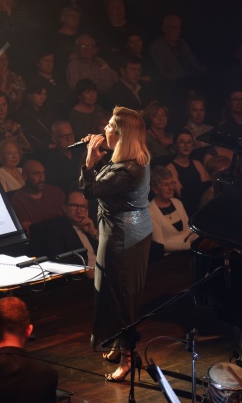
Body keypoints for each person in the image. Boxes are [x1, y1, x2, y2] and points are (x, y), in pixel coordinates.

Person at [79, 106, 152, 381]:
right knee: (113, 289)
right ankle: (117, 344)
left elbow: (91, 190)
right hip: (132, 231)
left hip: (123, 236)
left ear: (121, 135)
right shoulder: (135, 159)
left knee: (121, 295)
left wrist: (88, 161)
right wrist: (98, 159)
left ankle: (129, 358)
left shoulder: (127, 171)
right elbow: (106, 182)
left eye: (110, 126)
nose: (104, 129)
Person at [30, 190, 98, 275]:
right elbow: (57, 261)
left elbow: (110, 253)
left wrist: (93, 232)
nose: (78, 211)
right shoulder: (55, 227)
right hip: (84, 276)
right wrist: (84, 272)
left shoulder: (91, 224)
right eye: (74, 205)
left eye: (83, 206)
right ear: (64, 207)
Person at [148, 166, 197, 256]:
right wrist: (187, 246)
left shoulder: (177, 203)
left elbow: (189, 231)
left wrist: (197, 240)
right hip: (170, 258)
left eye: (172, 183)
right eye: (166, 185)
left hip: (188, 252)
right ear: (155, 189)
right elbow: (160, 244)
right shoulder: (150, 212)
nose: (171, 188)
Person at [9, 159, 65, 234]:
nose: (41, 178)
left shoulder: (55, 191)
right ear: (24, 177)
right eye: (36, 174)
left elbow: (69, 217)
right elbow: (30, 231)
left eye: (43, 173)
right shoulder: (18, 199)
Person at [166, 129, 210, 216]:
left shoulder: (197, 163)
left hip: (204, 204)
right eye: (182, 142)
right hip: (187, 208)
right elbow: (182, 194)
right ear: (175, 145)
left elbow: (208, 186)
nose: (186, 145)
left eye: (189, 142)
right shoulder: (170, 168)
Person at [43, 120, 84, 193]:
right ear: (54, 139)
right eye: (64, 136)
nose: (69, 139)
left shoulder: (81, 153)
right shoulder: (51, 161)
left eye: (71, 135)